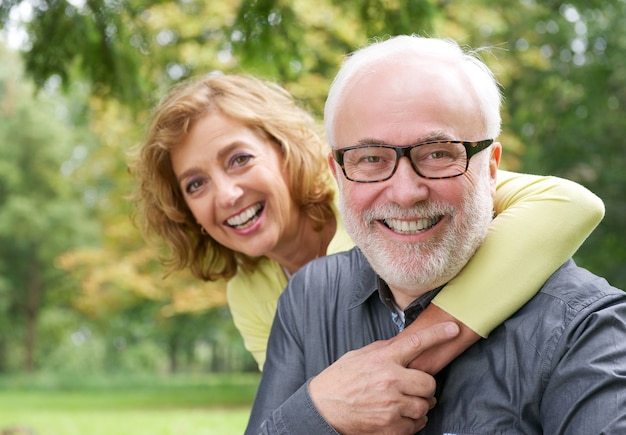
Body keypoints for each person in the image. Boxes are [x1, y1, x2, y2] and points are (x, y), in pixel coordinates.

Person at [245, 35, 626, 434]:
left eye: (439, 153)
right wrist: (317, 413)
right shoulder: (311, 295)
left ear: (491, 168)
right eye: (371, 159)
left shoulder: (588, 331)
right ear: (338, 172)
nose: (406, 193)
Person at [130, 73, 603, 373]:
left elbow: (571, 203)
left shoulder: (376, 193)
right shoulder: (250, 293)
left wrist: (424, 342)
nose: (226, 195)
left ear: (285, 149)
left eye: (239, 159)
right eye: (195, 185)